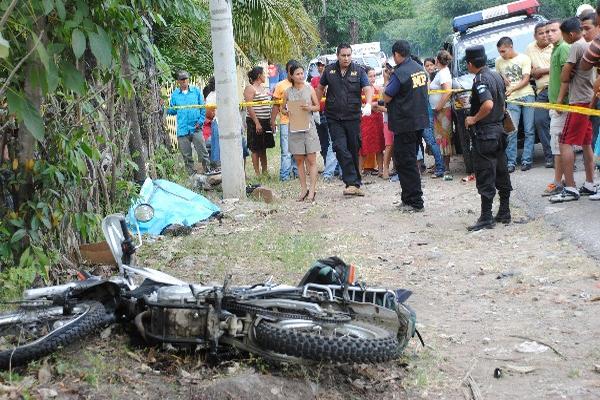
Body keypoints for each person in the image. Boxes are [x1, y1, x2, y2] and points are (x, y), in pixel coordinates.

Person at [464, 45, 513, 231]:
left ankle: (486, 216)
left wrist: (473, 118)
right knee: (501, 171)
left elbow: (488, 104)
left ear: (470, 63)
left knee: (485, 174)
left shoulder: (480, 79)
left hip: (486, 134)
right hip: (499, 131)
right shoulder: (495, 75)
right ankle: (504, 211)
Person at [549, 17, 597, 202]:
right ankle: (590, 183)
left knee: (565, 141)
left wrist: (560, 101)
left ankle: (570, 187)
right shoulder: (589, 45)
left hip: (578, 101)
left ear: (570, 34)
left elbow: (564, 75)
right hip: (588, 100)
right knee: (585, 143)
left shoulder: (576, 45)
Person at [316, 44, 374, 196]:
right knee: (340, 148)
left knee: (353, 148)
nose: (346, 58)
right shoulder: (329, 71)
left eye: (349, 55)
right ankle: (352, 181)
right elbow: (320, 88)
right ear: (337, 55)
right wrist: (316, 105)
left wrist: (368, 104)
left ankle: (354, 183)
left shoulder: (359, 70)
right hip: (334, 117)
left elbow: (367, 88)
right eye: (343, 55)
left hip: (353, 116)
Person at [383, 40, 429, 212]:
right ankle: (408, 198)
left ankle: (415, 201)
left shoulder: (400, 73)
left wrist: (388, 79)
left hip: (405, 123)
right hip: (418, 121)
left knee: (405, 162)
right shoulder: (419, 69)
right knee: (408, 160)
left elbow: (387, 96)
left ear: (396, 54)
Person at [281, 64, 321, 202]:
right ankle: (303, 189)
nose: (301, 76)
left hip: (309, 127)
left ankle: (312, 190)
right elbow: (282, 109)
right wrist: (288, 111)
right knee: (299, 160)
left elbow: (317, 106)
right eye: (297, 74)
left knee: (311, 160)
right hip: (295, 128)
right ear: (291, 75)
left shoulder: (309, 88)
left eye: (302, 73)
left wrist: (309, 107)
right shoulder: (287, 92)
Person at [495, 37, 536, 172]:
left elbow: (526, 79)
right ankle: (511, 162)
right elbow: (499, 78)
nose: (502, 54)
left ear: (511, 47)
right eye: (500, 52)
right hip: (511, 99)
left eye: (503, 51)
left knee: (529, 130)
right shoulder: (498, 61)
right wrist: (502, 79)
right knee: (512, 130)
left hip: (527, 95)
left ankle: (527, 159)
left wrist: (512, 88)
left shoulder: (524, 58)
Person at [543, 20, 570, 197]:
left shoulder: (563, 49)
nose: (548, 35)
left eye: (553, 31)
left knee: (558, 146)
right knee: (559, 146)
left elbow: (566, 79)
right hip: (555, 105)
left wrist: (559, 102)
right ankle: (563, 181)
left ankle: (558, 182)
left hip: (562, 106)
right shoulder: (555, 49)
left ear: (562, 31)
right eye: (546, 32)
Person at [167, 70, 210, 175]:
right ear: (178, 81)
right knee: (186, 154)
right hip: (183, 129)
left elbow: (203, 109)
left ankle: (208, 171)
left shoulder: (196, 91)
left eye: (185, 79)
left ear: (188, 79)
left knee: (202, 151)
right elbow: (172, 111)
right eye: (181, 79)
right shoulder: (175, 94)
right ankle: (192, 175)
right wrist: (164, 106)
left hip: (196, 127)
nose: (184, 81)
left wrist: (200, 122)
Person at [526, 22, 554, 168]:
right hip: (542, 91)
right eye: (541, 33)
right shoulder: (530, 49)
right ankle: (550, 157)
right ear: (535, 36)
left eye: (547, 32)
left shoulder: (554, 45)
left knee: (561, 123)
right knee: (540, 120)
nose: (545, 35)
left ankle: (566, 157)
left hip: (558, 88)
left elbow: (559, 67)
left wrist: (541, 70)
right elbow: (532, 72)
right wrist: (539, 71)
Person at [271, 60, 300, 181]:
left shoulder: (302, 84)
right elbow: (275, 105)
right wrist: (272, 121)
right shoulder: (280, 86)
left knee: (297, 150)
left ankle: (297, 173)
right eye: (291, 71)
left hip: (299, 122)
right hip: (285, 122)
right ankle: (284, 176)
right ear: (287, 71)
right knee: (286, 151)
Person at [310, 60, 339, 181]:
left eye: (323, 65)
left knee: (333, 143)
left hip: (332, 113)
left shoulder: (334, 78)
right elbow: (313, 96)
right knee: (323, 144)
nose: (321, 67)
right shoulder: (314, 80)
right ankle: (330, 166)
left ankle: (330, 172)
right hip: (319, 113)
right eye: (319, 65)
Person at [244, 66, 275, 176]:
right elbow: (249, 107)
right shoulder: (250, 88)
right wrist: (256, 123)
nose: (265, 76)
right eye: (264, 74)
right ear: (259, 76)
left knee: (264, 147)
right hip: (254, 121)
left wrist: (271, 120)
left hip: (265, 120)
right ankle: (257, 173)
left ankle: (265, 171)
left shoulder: (264, 88)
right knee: (255, 148)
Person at [429, 50, 454, 179]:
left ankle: (446, 167)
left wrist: (439, 105)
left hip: (442, 110)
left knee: (444, 137)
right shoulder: (441, 73)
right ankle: (441, 164)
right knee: (439, 137)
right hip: (438, 110)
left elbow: (447, 91)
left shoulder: (443, 73)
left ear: (438, 60)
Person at [359, 66, 385, 176]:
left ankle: (380, 170)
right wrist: (371, 105)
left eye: (374, 76)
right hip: (365, 121)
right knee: (363, 147)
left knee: (379, 145)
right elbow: (359, 105)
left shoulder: (378, 88)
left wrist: (372, 105)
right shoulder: (360, 90)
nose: (373, 78)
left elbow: (382, 103)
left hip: (377, 120)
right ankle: (359, 171)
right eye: (370, 76)